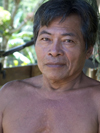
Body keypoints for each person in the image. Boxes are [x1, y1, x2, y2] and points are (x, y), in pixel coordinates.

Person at [0, 0, 99, 132]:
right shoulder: (8, 95)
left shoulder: (97, 102)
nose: (54, 51)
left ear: (88, 50)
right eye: (46, 39)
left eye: (68, 41)